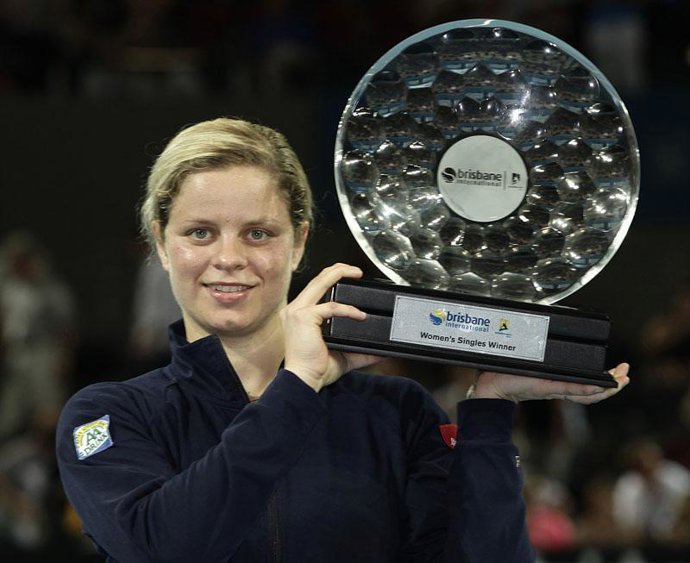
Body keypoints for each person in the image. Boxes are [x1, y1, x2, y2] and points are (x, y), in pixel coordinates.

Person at [55, 117, 630, 562]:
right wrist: (298, 384)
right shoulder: (111, 416)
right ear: (161, 243)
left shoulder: (396, 414)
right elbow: (166, 548)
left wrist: (489, 412)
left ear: (299, 242)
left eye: (258, 233)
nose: (228, 258)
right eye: (200, 232)